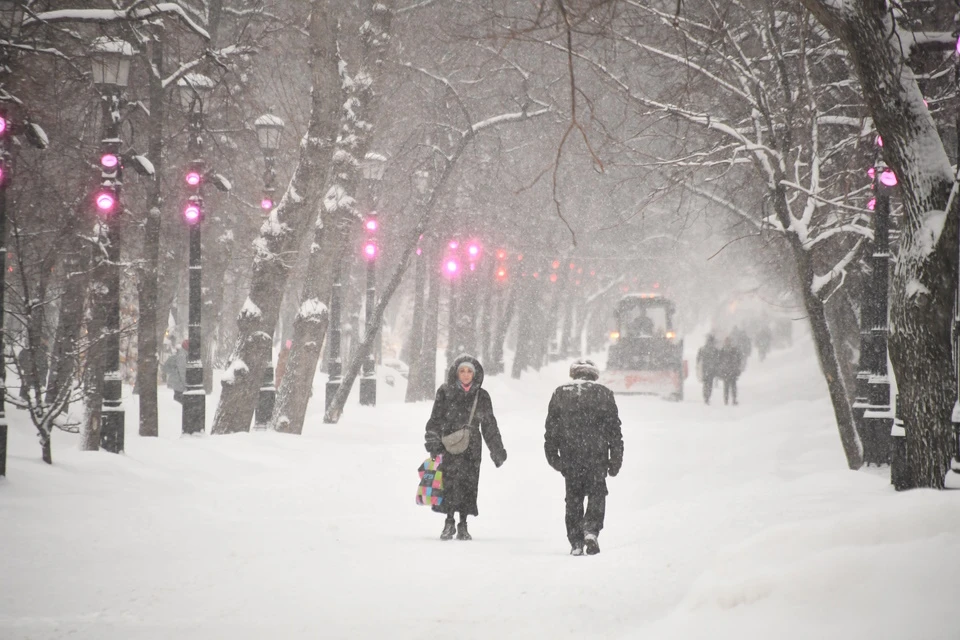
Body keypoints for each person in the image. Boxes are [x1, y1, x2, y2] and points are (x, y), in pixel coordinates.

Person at [544, 359, 624, 556]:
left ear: (574, 374)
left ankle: (576, 541)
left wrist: (554, 457)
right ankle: (591, 530)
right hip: (597, 456)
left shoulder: (560, 393)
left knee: (573, 498)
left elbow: (551, 430)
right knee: (597, 494)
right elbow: (614, 432)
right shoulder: (604, 394)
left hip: (570, 457)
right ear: (593, 374)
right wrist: (615, 459)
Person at [424, 355, 507, 541]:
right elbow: (435, 420)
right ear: (456, 372)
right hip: (449, 444)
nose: (466, 375)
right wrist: (433, 441)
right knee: (449, 482)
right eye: (462, 371)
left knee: (469, 483)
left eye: (469, 371)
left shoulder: (482, 395)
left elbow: (489, 425)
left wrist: (497, 449)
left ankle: (463, 523)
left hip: (472, 445)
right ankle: (449, 521)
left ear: (475, 373)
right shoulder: (445, 392)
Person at [718, 336, 743, 405]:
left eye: (728, 341)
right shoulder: (725, 350)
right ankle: (728, 400)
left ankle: (731, 399)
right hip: (728, 371)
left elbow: (738, 360)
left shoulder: (730, 350)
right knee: (729, 387)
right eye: (726, 341)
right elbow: (719, 361)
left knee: (731, 387)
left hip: (730, 371)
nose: (727, 343)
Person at [696, 334, 720, 404]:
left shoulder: (703, 349)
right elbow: (718, 359)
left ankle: (706, 396)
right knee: (709, 384)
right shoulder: (714, 350)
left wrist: (698, 365)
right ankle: (707, 396)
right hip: (710, 369)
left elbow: (698, 358)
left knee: (706, 384)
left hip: (706, 369)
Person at [163, 339, 188, 404]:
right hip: (179, 382)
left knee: (178, 397)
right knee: (179, 398)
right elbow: (182, 370)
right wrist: (185, 383)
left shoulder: (181, 354)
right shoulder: (182, 355)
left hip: (177, 382)